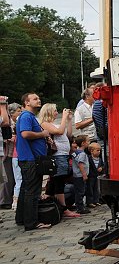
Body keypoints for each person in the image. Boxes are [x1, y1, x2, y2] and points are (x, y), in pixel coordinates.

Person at [14, 93, 52, 230]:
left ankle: (21, 219)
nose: (39, 100)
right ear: (26, 102)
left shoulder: (30, 117)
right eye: (35, 99)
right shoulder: (26, 116)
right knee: (32, 192)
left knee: (26, 190)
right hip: (30, 160)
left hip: (29, 159)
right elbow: (25, 133)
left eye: (38, 98)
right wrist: (42, 134)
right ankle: (31, 222)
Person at [38, 103, 80, 218]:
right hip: (57, 156)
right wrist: (64, 118)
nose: (57, 112)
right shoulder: (45, 124)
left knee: (58, 180)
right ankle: (63, 208)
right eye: (55, 110)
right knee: (59, 181)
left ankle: (56, 204)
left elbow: (68, 135)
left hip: (63, 155)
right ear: (49, 112)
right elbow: (59, 132)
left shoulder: (55, 124)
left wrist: (69, 121)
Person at [71, 135, 90, 214]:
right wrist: (84, 174)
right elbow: (80, 164)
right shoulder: (82, 154)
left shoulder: (75, 152)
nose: (89, 142)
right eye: (88, 141)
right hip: (80, 175)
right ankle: (80, 207)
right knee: (81, 192)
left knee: (79, 191)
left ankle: (80, 206)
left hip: (76, 175)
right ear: (83, 143)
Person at [87, 142, 103, 207]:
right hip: (91, 176)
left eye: (99, 150)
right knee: (90, 189)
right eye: (97, 150)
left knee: (96, 189)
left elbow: (103, 165)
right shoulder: (89, 158)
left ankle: (96, 200)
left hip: (97, 176)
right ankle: (90, 201)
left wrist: (101, 168)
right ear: (91, 151)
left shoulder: (100, 159)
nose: (99, 152)